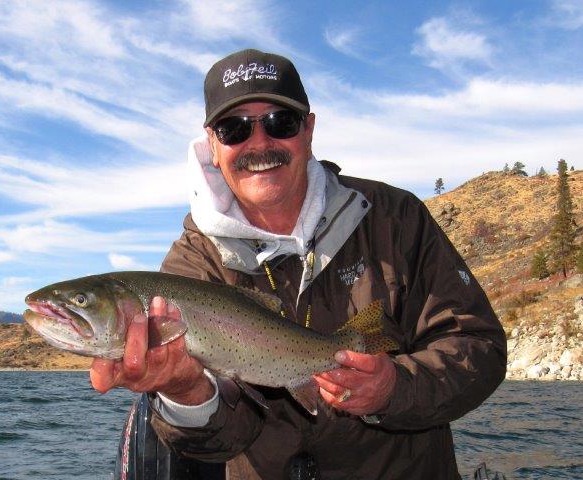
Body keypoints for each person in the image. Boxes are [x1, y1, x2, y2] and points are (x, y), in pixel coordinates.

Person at [91, 48, 507, 479]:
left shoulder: (393, 218)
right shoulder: (194, 262)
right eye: (234, 129)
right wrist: (186, 391)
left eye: (280, 123)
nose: (259, 144)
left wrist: (394, 389)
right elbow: (222, 439)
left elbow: (480, 347)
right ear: (213, 144)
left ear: (308, 131)